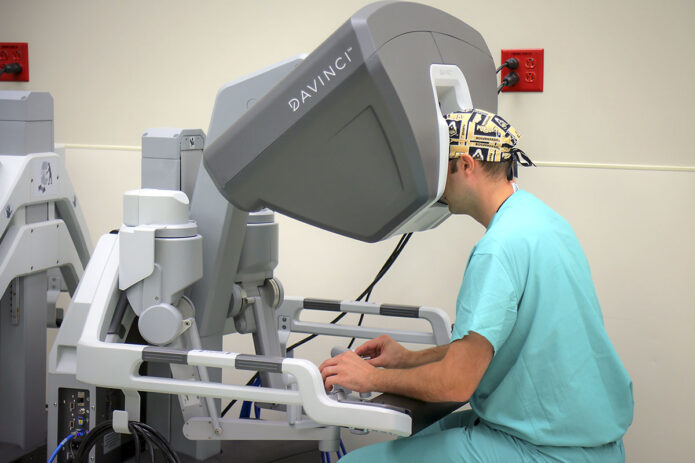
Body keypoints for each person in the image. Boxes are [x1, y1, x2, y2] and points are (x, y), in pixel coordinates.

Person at [319, 109, 634, 462]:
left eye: (440, 171)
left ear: (466, 165)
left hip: (544, 449)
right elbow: (496, 344)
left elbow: (456, 383)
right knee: (418, 435)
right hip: (584, 438)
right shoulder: (543, 220)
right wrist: (405, 360)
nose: (436, 187)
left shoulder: (497, 249)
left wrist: (371, 379)